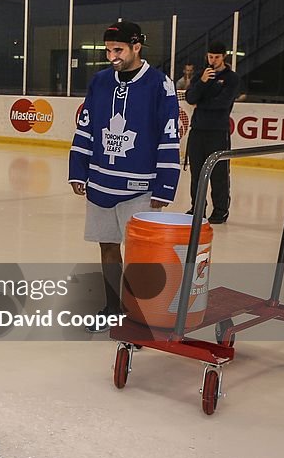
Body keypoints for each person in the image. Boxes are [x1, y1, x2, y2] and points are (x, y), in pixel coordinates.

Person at [69, 20, 181, 333]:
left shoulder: (159, 84)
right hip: (101, 182)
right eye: (107, 50)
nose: (111, 56)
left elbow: (169, 134)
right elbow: (86, 125)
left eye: (118, 50)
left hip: (141, 186)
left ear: (136, 46)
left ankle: (140, 313)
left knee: (140, 255)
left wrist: (165, 185)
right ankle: (112, 307)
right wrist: (78, 169)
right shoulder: (100, 81)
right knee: (107, 246)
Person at [185, 42, 241, 224]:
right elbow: (190, 97)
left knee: (219, 174)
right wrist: (202, 82)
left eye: (216, 57)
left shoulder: (231, 78)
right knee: (197, 173)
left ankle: (221, 209)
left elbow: (222, 103)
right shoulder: (201, 75)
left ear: (223, 56)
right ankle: (197, 207)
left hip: (218, 131)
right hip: (198, 131)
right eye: (210, 56)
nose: (213, 60)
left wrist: (201, 104)